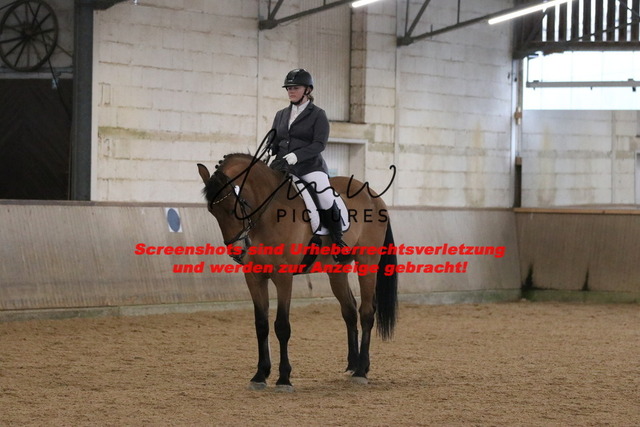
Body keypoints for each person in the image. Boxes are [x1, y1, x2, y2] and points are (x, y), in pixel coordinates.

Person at [268, 68, 348, 257]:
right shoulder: (281, 114)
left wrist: (298, 155)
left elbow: (319, 144)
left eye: (295, 88)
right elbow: (275, 138)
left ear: (307, 90)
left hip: (310, 167)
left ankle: (338, 240)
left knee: (325, 196)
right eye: (289, 88)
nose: (291, 91)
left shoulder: (318, 114)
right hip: (282, 166)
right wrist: (271, 148)